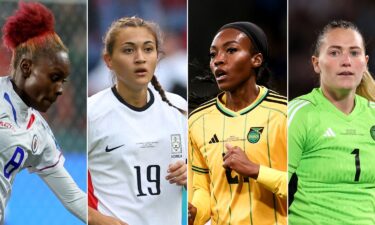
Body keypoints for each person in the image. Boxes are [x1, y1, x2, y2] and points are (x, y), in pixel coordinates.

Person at [87, 16, 187, 225]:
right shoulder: (92, 113)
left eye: (148, 49)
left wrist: (192, 175)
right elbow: (69, 194)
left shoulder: (179, 107)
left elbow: (206, 176)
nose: (140, 58)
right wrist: (102, 221)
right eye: (128, 50)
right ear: (109, 60)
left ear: (158, 57)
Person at [188, 21, 287, 225]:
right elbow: (203, 189)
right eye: (213, 55)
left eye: (231, 50)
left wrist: (255, 170)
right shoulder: (198, 122)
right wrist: (194, 214)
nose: (219, 61)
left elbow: (306, 187)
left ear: (256, 60)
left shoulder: (285, 115)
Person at [0, 2, 86, 224]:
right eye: (53, 77)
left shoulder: (38, 131)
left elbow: (74, 199)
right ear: (27, 67)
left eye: (63, 81)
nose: (59, 90)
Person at [288, 20, 375, 224]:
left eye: (354, 53)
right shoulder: (300, 114)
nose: (346, 61)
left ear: (365, 62)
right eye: (335, 52)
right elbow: (274, 185)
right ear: (316, 63)